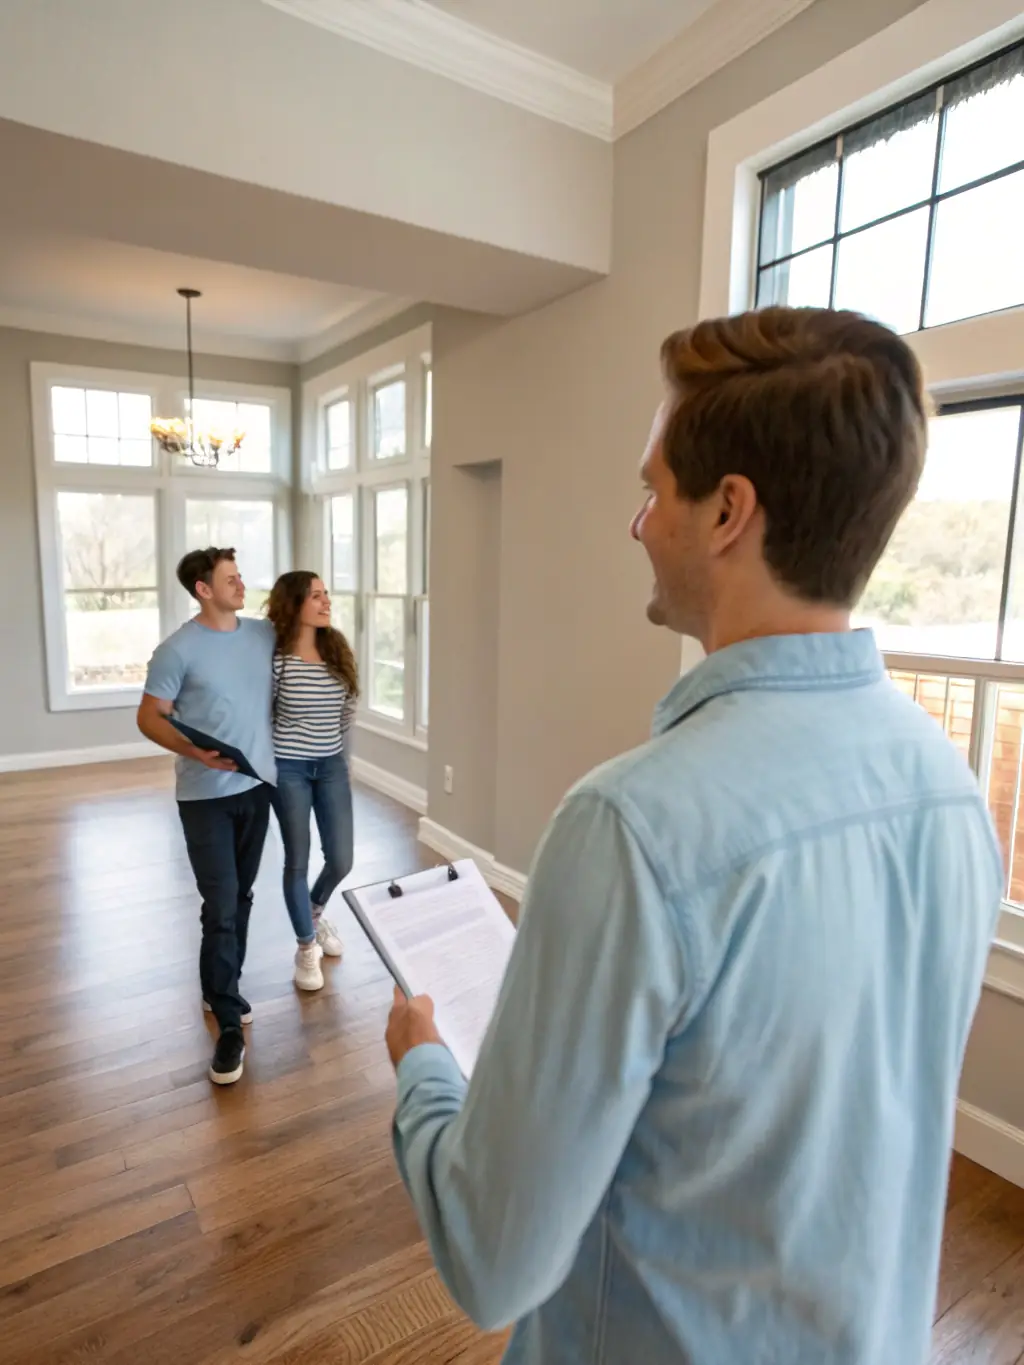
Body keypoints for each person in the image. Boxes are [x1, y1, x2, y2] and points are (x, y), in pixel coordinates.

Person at [384, 307, 1003, 1364]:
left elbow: (494, 1260)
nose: (636, 525)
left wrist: (423, 1069)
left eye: (650, 489)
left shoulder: (628, 826)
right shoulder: (947, 785)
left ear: (727, 511)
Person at [137, 547, 276, 1086]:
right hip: (204, 796)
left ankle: (224, 985)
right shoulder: (176, 651)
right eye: (231, 579)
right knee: (220, 904)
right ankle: (228, 1022)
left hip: (257, 787)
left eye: (241, 576)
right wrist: (195, 753)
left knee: (239, 896)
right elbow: (149, 717)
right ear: (203, 589)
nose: (241, 585)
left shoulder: (263, 635)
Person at [266, 571, 358, 993]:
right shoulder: (277, 659)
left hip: (332, 765)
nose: (326, 603)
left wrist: (341, 758)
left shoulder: (337, 649)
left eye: (326, 595)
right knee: (297, 861)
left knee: (341, 859)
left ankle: (314, 912)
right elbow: (264, 716)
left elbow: (347, 710)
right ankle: (306, 946)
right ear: (295, 604)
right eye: (316, 596)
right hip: (290, 768)